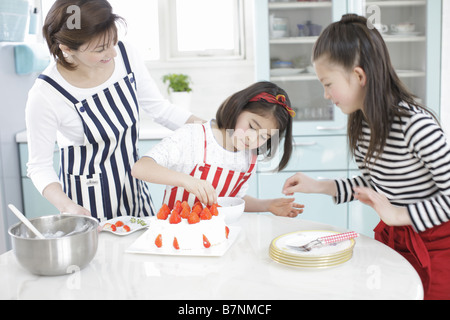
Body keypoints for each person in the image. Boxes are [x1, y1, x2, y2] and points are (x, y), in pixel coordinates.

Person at [282, 14, 450, 299]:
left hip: (436, 246)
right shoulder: (363, 125)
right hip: (396, 238)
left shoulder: (416, 126)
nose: (325, 94)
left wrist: (399, 214)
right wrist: (318, 185)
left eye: (328, 83)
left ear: (359, 76)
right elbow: (376, 183)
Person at [25, 0, 202, 221]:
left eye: (113, 42)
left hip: (133, 186)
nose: (113, 53)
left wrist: (213, 132)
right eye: (101, 49)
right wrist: (67, 205)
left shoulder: (126, 55)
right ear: (67, 48)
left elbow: (160, 109)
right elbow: (38, 166)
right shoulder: (46, 95)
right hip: (85, 200)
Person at [132, 81, 304, 217]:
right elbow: (140, 168)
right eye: (252, 126)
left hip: (216, 238)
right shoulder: (194, 136)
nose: (252, 139)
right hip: (176, 236)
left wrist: (267, 205)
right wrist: (187, 180)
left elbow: (235, 200)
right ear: (237, 107)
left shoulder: (248, 158)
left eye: (264, 137)